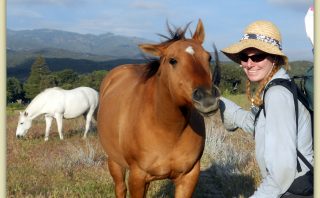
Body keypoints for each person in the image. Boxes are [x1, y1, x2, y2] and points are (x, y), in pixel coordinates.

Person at [219, 20, 313, 197]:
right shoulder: (275, 86)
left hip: (292, 190)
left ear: (274, 57)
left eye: (257, 56)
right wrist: (219, 101)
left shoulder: (277, 94)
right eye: (244, 57)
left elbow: (282, 172)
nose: (249, 63)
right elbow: (259, 126)